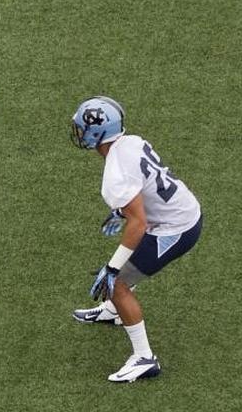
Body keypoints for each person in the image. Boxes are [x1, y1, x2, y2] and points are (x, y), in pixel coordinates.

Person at [70, 96, 202, 382]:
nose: (79, 133)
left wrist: (113, 268)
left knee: (115, 283)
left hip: (176, 228)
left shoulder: (114, 175)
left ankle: (144, 358)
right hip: (181, 211)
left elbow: (138, 223)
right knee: (118, 276)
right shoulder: (131, 142)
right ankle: (114, 310)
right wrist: (122, 211)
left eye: (82, 128)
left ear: (96, 133)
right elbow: (142, 184)